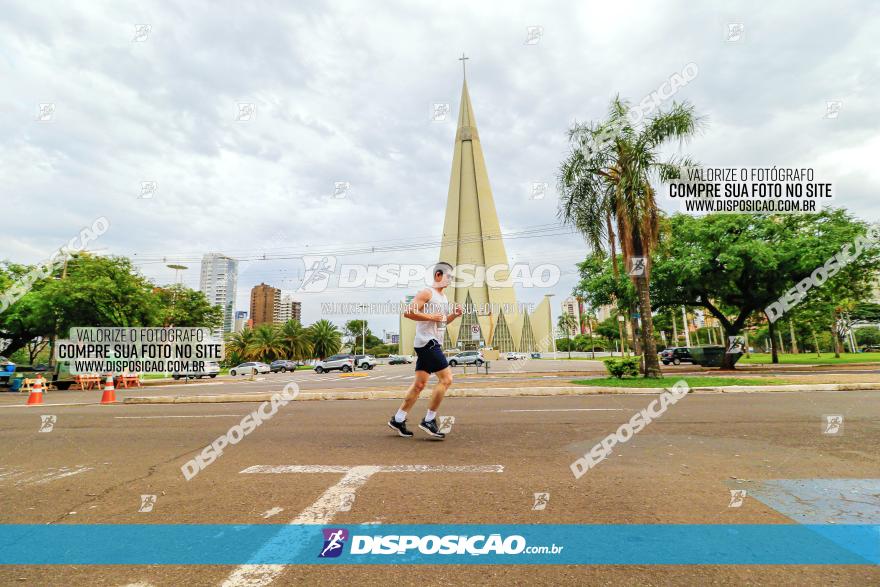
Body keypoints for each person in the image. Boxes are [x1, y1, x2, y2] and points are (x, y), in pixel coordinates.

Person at [388, 262, 462, 439]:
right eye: (448, 277)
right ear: (438, 275)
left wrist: (454, 315)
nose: (450, 280)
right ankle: (429, 420)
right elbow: (408, 312)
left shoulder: (443, 298)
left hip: (430, 343)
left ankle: (398, 419)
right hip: (428, 343)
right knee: (447, 379)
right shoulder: (427, 292)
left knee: (419, 385)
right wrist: (430, 316)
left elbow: (441, 322)